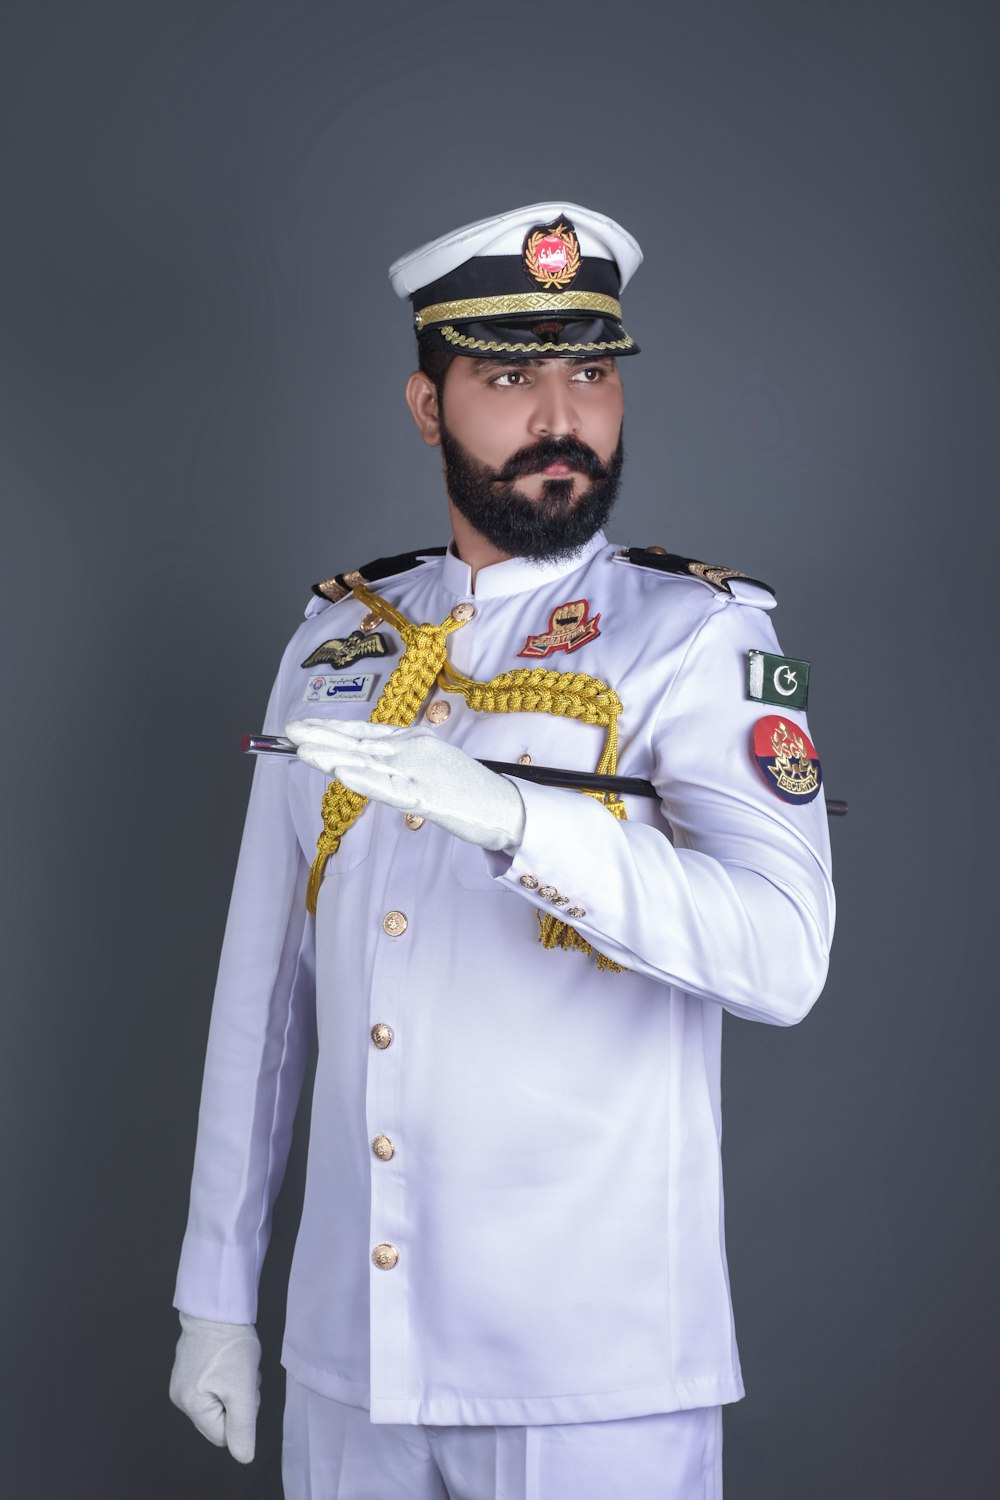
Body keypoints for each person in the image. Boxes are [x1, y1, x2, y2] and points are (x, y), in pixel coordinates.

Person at [169, 202, 835, 1500]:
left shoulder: (696, 641)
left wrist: (522, 820)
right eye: (510, 378)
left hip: (595, 1377)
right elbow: (264, 999)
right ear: (429, 407)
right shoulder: (334, 647)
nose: (560, 419)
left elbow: (785, 955)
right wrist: (215, 1295)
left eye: (590, 374)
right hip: (350, 1361)